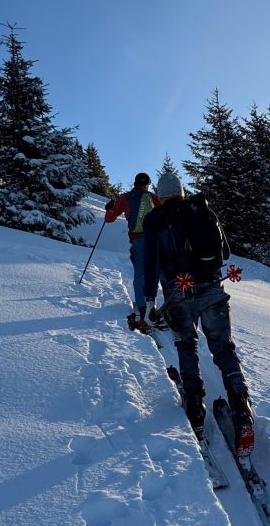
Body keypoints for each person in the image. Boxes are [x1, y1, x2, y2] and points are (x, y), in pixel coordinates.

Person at [140, 169, 254, 452]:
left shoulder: (154, 220)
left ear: (159, 196)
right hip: (213, 287)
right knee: (224, 349)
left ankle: (195, 407)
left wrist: (150, 300)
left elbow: (150, 263)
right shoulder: (201, 209)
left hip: (178, 292)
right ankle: (242, 408)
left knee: (186, 345)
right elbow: (224, 253)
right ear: (181, 191)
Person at [105, 172, 159, 323]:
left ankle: (142, 307)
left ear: (135, 184)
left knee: (140, 273)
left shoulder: (125, 198)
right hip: (155, 239)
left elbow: (109, 219)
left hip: (137, 239)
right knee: (157, 271)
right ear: (147, 185)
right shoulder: (153, 197)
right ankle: (157, 304)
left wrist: (110, 208)